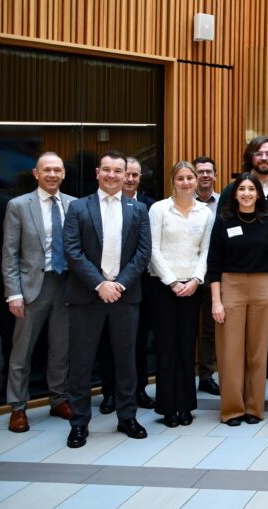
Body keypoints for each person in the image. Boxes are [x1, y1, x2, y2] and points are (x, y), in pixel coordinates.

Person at [63, 150, 152, 448]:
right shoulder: (78, 208)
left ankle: (127, 417)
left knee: (126, 361)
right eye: (107, 170)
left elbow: (143, 253)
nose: (113, 175)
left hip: (125, 298)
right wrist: (100, 284)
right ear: (97, 173)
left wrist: (119, 285)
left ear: (126, 174)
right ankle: (79, 423)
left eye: (118, 170)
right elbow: (72, 251)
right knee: (81, 363)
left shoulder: (137, 210)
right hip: (86, 297)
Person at [218, 137, 268, 405]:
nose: (264, 158)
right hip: (236, 277)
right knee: (238, 340)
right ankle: (237, 396)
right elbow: (220, 232)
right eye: (259, 154)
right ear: (250, 157)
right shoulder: (233, 188)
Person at [2, 152, 76, 433]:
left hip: (66, 286)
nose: (52, 175)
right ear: (36, 173)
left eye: (57, 170)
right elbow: (9, 254)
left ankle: (58, 399)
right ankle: (18, 407)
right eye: (47, 170)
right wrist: (13, 294)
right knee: (23, 350)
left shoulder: (74, 205)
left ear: (64, 174)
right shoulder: (19, 206)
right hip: (32, 287)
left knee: (61, 348)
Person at [207, 173, 268, 426]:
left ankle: (254, 408)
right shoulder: (224, 221)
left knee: (257, 352)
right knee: (230, 351)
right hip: (231, 285)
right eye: (242, 189)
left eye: (252, 189)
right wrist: (216, 301)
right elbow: (213, 264)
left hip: (263, 286)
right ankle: (232, 409)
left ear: (259, 194)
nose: (247, 193)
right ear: (234, 193)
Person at [147, 161, 215, 428]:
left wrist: (196, 279)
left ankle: (185, 405)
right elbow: (153, 249)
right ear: (172, 182)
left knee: (187, 346)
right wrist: (173, 282)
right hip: (163, 286)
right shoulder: (159, 209)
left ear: (197, 181)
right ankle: (167, 407)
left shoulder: (204, 213)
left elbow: (206, 251)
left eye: (190, 178)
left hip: (193, 287)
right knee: (167, 346)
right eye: (181, 178)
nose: (186, 182)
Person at [95, 156, 155, 414]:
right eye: (126, 173)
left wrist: (124, 281)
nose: (129, 179)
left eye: (134, 175)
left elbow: (146, 249)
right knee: (107, 343)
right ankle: (109, 392)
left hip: (138, 287)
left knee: (137, 342)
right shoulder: (96, 206)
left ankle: (138, 389)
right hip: (103, 287)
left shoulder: (149, 207)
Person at [193, 156, 220, 396]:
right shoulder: (182, 202)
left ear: (215, 175)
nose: (204, 175)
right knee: (188, 327)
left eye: (208, 171)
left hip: (214, 275)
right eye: (199, 171)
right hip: (187, 275)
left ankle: (206, 375)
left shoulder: (223, 203)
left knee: (211, 330)